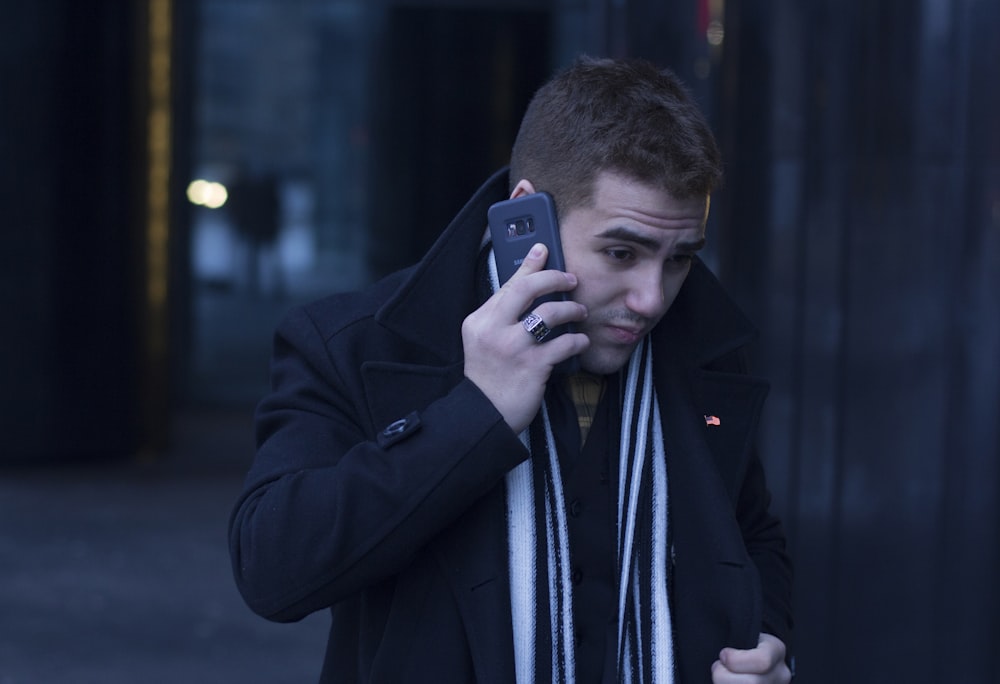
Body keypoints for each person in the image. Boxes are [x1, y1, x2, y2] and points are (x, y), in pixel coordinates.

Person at [229, 56, 793, 683]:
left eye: (679, 258)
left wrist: (765, 639)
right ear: (529, 217)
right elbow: (272, 570)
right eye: (621, 251)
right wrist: (476, 413)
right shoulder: (357, 344)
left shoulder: (704, 347)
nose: (652, 298)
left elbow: (752, 534)